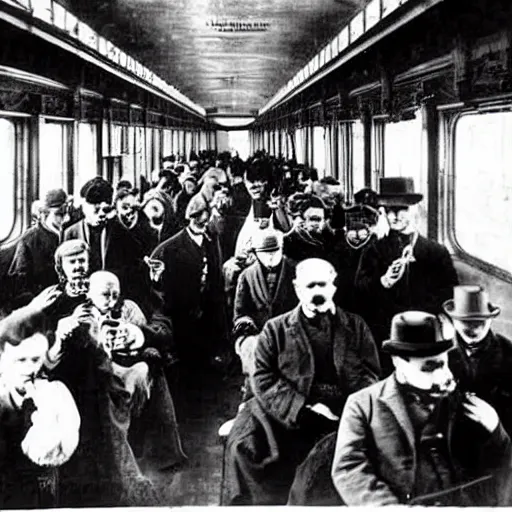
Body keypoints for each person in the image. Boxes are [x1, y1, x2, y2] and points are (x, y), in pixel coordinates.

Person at [222, 258, 380, 505]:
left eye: (323, 285)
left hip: (341, 410)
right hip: (286, 409)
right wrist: (303, 409)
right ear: (297, 289)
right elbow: (262, 379)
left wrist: (347, 410)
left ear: (333, 287)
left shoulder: (356, 327)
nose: (317, 292)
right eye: (310, 286)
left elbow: (371, 374)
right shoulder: (275, 329)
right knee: (243, 448)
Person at [332, 311, 512, 506]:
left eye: (444, 364)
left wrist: (495, 430)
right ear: (398, 362)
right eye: (429, 368)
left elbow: (498, 464)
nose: (443, 376)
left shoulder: (461, 398)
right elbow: (348, 469)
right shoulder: (362, 405)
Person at [355, 177, 458, 374]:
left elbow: (449, 294)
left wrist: (421, 313)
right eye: (388, 211)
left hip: (425, 332)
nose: (393, 217)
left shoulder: (435, 252)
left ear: (414, 210)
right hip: (384, 333)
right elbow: (359, 292)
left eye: (400, 210)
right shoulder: (373, 251)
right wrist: (383, 282)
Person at [0, 306, 80, 508]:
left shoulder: (53, 393)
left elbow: (57, 448)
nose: (29, 368)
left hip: (39, 491)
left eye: (35, 359)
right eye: (20, 360)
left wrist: (44, 410)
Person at [151, 193, 227, 371]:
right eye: (197, 221)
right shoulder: (171, 247)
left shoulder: (212, 241)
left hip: (208, 315)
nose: (202, 225)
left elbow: (216, 280)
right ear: (189, 219)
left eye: (204, 221)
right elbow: (159, 283)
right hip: (183, 318)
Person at [233, 229, 297, 397]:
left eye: (275, 252)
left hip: (290, 337)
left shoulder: (295, 271)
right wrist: (248, 331)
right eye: (265, 253)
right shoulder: (247, 276)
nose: (270, 257)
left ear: (282, 249)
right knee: (256, 382)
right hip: (258, 338)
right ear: (256, 253)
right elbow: (240, 312)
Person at [444, 285, 512, 436]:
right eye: (465, 321)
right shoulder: (445, 357)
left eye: (479, 321)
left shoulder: (509, 355)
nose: (473, 328)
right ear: (454, 321)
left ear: (490, 320)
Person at [9, 189, 68, 296]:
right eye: (59, 214)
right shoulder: (30, 239)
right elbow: (20, 280)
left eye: (66, 213)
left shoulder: (69, 232)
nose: (66, 219)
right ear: (44, 214)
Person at [64, 177, 114, 273]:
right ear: (84, 207)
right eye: (96, 210)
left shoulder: (118, 231)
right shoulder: (71, 233)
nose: (102, 215)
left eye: (106, 210)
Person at [283, 194, 335, 263]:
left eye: (320, 219)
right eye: (313, 219)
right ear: (303, 220)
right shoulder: (290, 240)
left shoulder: (329, 238)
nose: (316, 223)